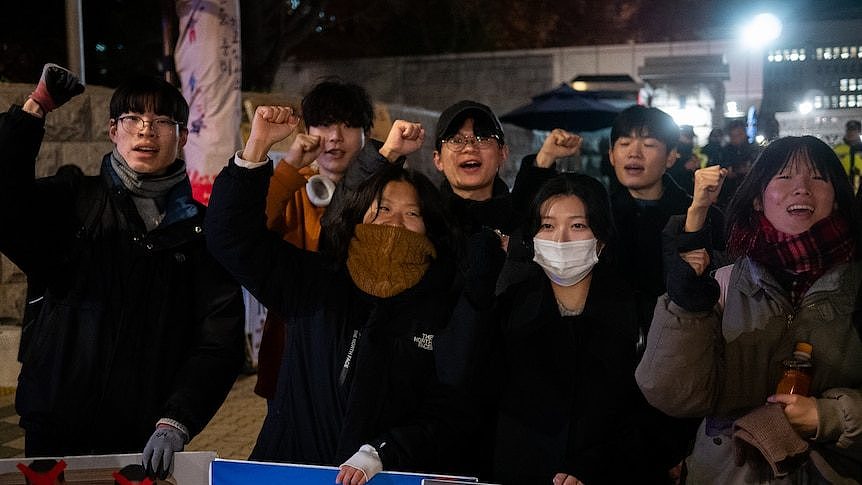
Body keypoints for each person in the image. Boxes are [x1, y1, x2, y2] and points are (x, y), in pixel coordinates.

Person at [0, 65, 245, 477]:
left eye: (162, 121)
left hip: (144, 440)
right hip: (54, 427)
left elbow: (217, 342)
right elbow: (5, 205)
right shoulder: (73, 201)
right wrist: (34, 109)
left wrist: (176, 420)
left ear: (183, 136)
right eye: (132, 118)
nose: (146, 130)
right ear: (114, 130)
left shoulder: (201, 233)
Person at [205, 106, 463, 485]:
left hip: (387, 477)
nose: (395, 222)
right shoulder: (317, 283)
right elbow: (230, 238)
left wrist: (382, 450)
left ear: (429, 228)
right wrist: (257, 145)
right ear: (358, 218)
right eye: (383, 209)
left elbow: (449, 404)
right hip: (290, 471)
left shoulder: (440, 305)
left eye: (412, 214)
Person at [637, 136, 862, 482]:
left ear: (837, 198)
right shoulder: (722, 282)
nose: (801, 188)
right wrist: (687, 307)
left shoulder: (856, 286)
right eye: (784, 177)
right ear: (757, 199)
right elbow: (672, 394)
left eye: (818, 178)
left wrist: (831, 416)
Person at [478, 173, 665, 484]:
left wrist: (595, 465)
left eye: (578, 226)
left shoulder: (641, 311)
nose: (560, 239)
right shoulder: (508, 306)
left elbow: (656, 414)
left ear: (601, 238)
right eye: (548, 226)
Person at [255, 78, 424, 400]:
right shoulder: (290, 185)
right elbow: (251, 228)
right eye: (324, 124)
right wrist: (290, 166)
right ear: (308, 129)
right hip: (297, 352)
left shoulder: (390, 195)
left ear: (366, 134)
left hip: (369, 347)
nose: (334, 137)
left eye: (348, 125)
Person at [605, 105, 723, 481]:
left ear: (672, 155)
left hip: (673, 377)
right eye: (624, 143)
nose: (634, 153)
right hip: (609, 380)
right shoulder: (591, 213)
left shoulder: (700, 215)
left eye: (649, 144)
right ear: (611, 154)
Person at [833, 119, 861, 189]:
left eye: (854, 130)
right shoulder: (837, 149)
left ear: (859, 132)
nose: (851, 133)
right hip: (841, 186)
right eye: (849, 130)